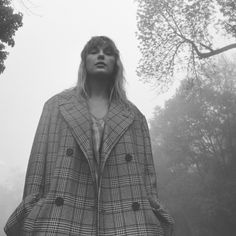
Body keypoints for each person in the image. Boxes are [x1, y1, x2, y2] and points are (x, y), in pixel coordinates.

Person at [4, 36, 174, 236]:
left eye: (108, 52)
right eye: (94, 51)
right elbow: (37, 167)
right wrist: (32, 210)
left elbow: (147, 178)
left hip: (128, 220)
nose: (101, 55)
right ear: (84, 61)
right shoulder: (55, 106)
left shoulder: (135, 116)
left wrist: (151, 213)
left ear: (116, 63)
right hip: (61, 217)